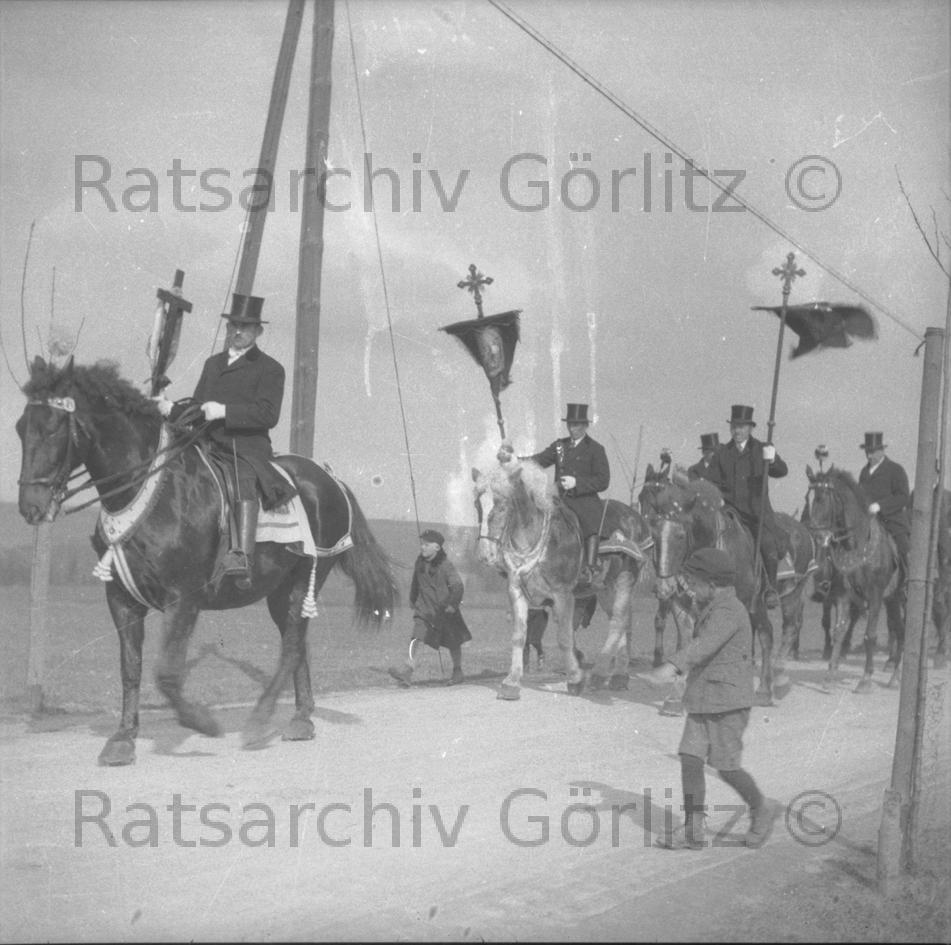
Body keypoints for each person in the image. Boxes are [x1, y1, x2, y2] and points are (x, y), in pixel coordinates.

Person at [639, 547, 776, 850]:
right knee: (690, 759)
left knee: (726, 767)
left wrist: (670, 667)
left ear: (712, 585)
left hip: (728, 703)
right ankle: (693, 827)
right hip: (703, 698)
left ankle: (761, 807)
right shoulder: (713, 605)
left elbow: (704, 645)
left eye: (694, 583)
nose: (690, 588)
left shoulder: (730, 611)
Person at [156, 293, 296, 588]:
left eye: (245, 327)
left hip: (245, 447)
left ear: (258, 331)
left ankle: (241, 555)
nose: (238, 331)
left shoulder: (270, 369)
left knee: (242, 478)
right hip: (206, 442)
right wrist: (171, 409)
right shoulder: (212, 364)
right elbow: (198, 408)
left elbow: (268, 414)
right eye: (234, 325)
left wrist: (225, 411)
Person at [708, 404, 787, 608]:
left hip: (757, 514)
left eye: (741, 427)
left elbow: (782, 471)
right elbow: (711, 481)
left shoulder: (761, 449)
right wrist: (717, 498)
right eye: (734, 426)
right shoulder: (722, 453)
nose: (737, 431)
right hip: (731, 512)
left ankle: (771, 588)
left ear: (750, 428)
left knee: (768, 543)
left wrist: (772, 459)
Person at [525, 403, 610, 587]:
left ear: (585, 426)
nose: (572, 428)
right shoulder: (559, 446)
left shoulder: (596, 449)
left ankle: (590, 568)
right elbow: (538, 460)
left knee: (590, 522)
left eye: (576, 425)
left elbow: (603, 481)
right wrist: (515, 461)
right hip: (559, 498)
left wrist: (577, 482)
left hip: (584, 499)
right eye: (570, 424)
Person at [388, 530, 472, 687]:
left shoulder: (446, 565)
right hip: (424, 609)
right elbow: (416, 582)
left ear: (437, 548)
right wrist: (412, 599)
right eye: (422, 544)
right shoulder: (419, 562)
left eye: (427, 545)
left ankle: (457, 672)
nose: (422, 547)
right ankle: (407, 672)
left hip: (444, 612)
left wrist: (452, 605)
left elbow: (458, 586)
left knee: (453, 642)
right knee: (416, 637)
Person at [858, 432, 910, 593]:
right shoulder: (864, 472)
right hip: (868, 522)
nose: (869, 455)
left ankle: (909, 585)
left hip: (892, 522)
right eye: (867, 451)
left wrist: (880, 506)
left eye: (872, 451)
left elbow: (903, 497)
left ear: (882, 451)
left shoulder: (895, 470)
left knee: (905, 551)